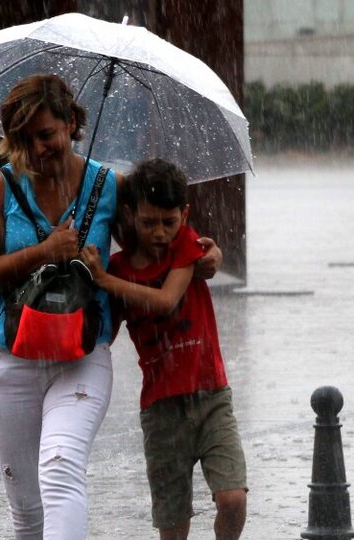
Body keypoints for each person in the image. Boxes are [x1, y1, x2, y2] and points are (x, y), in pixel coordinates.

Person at [0, 74, 222, 539]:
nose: (40, 149)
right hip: (8, 357)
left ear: (72, 123)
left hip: (82, 355)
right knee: (26, 509)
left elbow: (156, 246)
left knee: (60, 467)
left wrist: (203, 255)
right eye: (26, 140)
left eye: (47, 135)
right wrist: (43, 252)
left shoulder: (108, 186)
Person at [79, 158, 248, 540]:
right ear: (130, 214)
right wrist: (87, 284)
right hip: (160, 410)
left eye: (169, 222)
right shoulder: (119, 270)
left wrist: (103, 279)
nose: (159, 233)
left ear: (184, 215)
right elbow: (102, 334)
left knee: (233, 498)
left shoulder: (187, 246)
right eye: (148, 222)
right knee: (172, 521)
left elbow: (166, 300)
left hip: (211, 397)